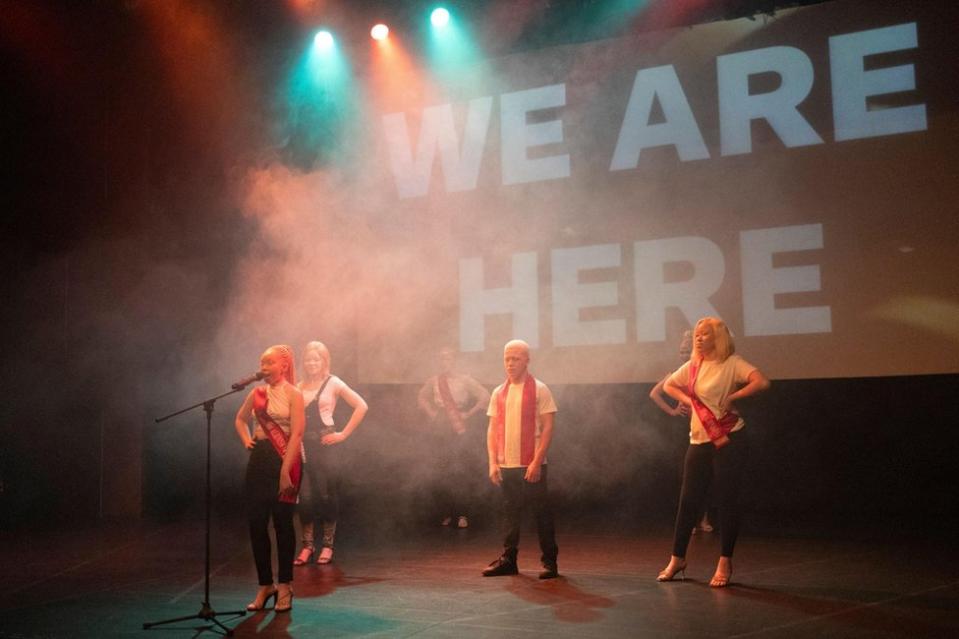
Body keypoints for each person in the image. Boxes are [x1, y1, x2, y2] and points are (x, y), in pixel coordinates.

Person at [656, 317, 770, 587]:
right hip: (699, 440)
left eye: (705, 334)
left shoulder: (732, 363)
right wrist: (687, 401)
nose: (699, 338)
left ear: (717, 337)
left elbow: (762, 382)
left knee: (726, 499)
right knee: (688, 501)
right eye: (697, 334)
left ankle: (725, 561)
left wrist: (734, 398)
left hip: (728, 439)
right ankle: (677, 558)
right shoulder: (694, 365)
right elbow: (668, 386)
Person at [233, 345, 305, 612]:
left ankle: (285, 585)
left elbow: (296, 435)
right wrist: (246, 440)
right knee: (256, 524)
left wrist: (285, 471)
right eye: (261, 362)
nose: (262, 367)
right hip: (259, 460)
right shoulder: (257, 393)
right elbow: (239, 419)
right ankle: (265, 585)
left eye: (268, 363)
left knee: (283, 525)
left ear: (283, 366)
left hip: (286, 459)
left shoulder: (294, 394)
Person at [482, 339, 560, 579]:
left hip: (531, 464)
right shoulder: (498, 392)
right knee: (510, 513)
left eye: (515, 358)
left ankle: (549, 562)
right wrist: (493, 463)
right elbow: (492, 429)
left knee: (541, 513)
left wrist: (537, 462)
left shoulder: (540, 389)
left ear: (527, 360)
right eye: (507, 358)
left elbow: (548, 428)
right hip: (507, 464)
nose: (511, 363)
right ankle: (509, 560)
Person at [293, 341, 368, 566]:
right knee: (305, 498)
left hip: (326, 445)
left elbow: (361, 405)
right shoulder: (298, 386)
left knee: (327, 496)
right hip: (304, 447)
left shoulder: (333, 382)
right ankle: (307, 546)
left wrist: (343, 434)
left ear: (324, 361)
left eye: (316, 359)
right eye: (308, 359)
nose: (312, 363)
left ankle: (327, 545)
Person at [417, 347, 490, 529]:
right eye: (442, 359)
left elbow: (485, 397)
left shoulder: (465, 379)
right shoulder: (435, 380)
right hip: (441, 425)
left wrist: (469, 413)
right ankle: (447, 512)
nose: (444, 362)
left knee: (460, 470)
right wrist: (433, 413)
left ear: (455, 361)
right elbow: (421, 398)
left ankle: (463, 513)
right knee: (442, 470)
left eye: (448, 359)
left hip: (459, 424)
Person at [649, 330, 714, 535]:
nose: (684, 354)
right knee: (686, 475)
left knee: (705, 472)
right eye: (681, 351)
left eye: (687, 350)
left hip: (703, 427)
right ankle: (691, 521)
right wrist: (673, 410)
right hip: (682, 430)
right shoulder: (676, 373)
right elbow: (654, 394)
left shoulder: (704, 370)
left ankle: (703, 518)